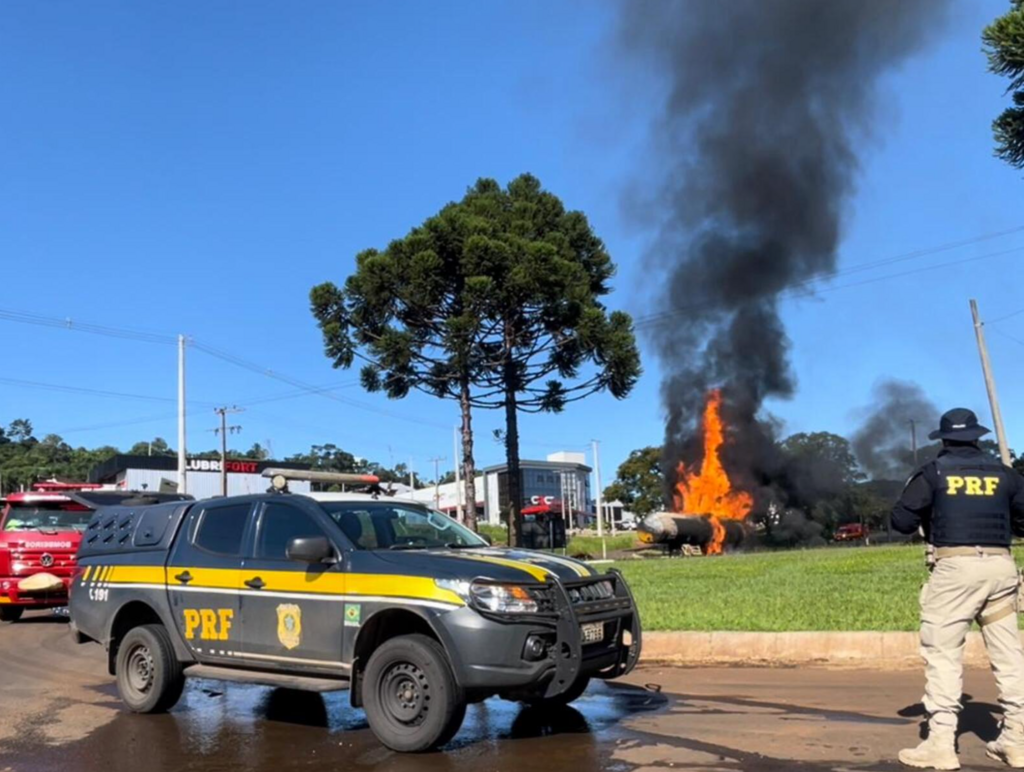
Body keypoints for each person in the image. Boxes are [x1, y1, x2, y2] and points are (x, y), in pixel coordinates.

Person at [894, 408, 1024, 770]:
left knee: (943, 652)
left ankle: (940, 744)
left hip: (955, 571)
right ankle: (1017, 740)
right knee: (1009, 655)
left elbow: (900, 521)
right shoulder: (1005, 475)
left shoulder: (933, 473)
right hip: (1000, 569)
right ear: (978, 438)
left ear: (944, 439)